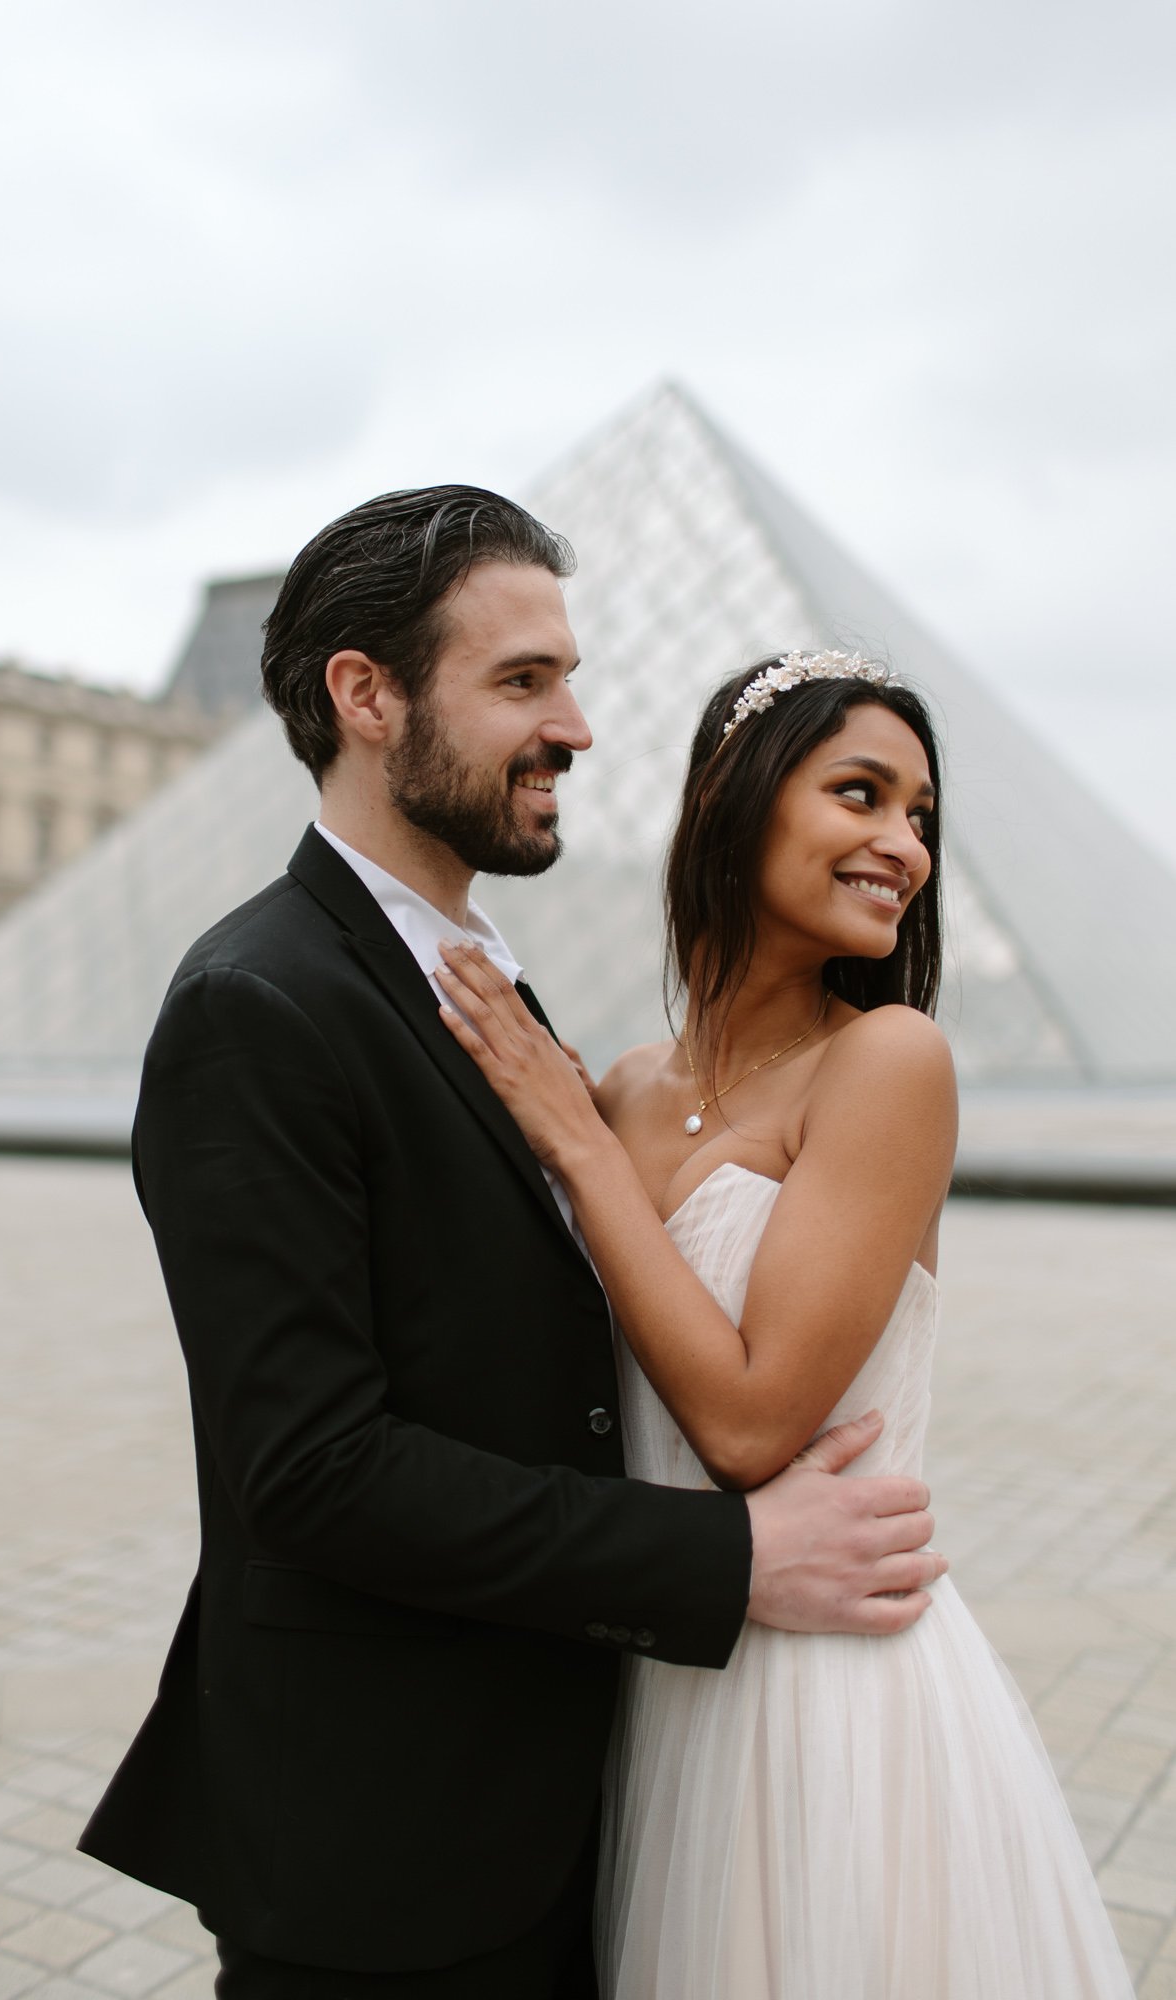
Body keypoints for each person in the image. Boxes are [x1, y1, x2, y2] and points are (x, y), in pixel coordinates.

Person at [78, 496, 946, 2000]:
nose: (581, 728)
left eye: (574, 678)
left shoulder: (487, 999)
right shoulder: (259, 1006)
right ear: (367, 697)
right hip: (388, 1850)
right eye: (524, 682)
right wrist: (723, 1558)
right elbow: (315, 1471)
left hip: (581, 1799)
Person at [433, 650, 1136, 1999]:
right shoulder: (626, 1088)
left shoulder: (886, 1063)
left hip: (830, 1704)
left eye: (919, 814)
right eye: (859, 794)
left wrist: (575, 1154)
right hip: (656, 1678)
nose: (903, 846)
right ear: (732, 800)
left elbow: (754, 1425)